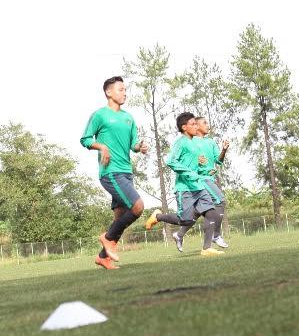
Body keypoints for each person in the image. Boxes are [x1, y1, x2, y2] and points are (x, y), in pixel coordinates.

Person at [80, 76, 149, 270]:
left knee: (119, 218)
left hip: (126, 171)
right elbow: (85, 139)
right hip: (110, 172)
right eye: (121, 89)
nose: (124, 93)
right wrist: (102, 146)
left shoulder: (128, 118)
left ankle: (103, 257)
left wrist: (140, 147)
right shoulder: (100, 115)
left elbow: (133, 144)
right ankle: (108, 238)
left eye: (125, 89)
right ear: (108, 92)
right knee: (137, 207)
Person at [145, 112, 223, 256]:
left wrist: (204, 168)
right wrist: (190, 173)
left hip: (198, 186)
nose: (196, 126)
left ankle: (206, 249)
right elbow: (171, 161)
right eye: (193, 124)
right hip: (185, 188)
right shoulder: (180, 142)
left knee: (211, 212)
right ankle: (158, 217)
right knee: (185, 220)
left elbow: (192, 161)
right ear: (184, 127)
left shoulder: (193, 142)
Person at [171, 116, 229, 251]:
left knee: (196, 213)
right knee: (220, 201)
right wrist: (201, 165)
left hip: (208, 179)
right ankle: (216, 235)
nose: (207, 125)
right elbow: (190, 160)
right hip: (201, 179)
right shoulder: (191, 142)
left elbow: (218, 161)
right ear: (196, 126)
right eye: (204, 123)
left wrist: (224, 150)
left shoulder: (210, 142)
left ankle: (179, 234)